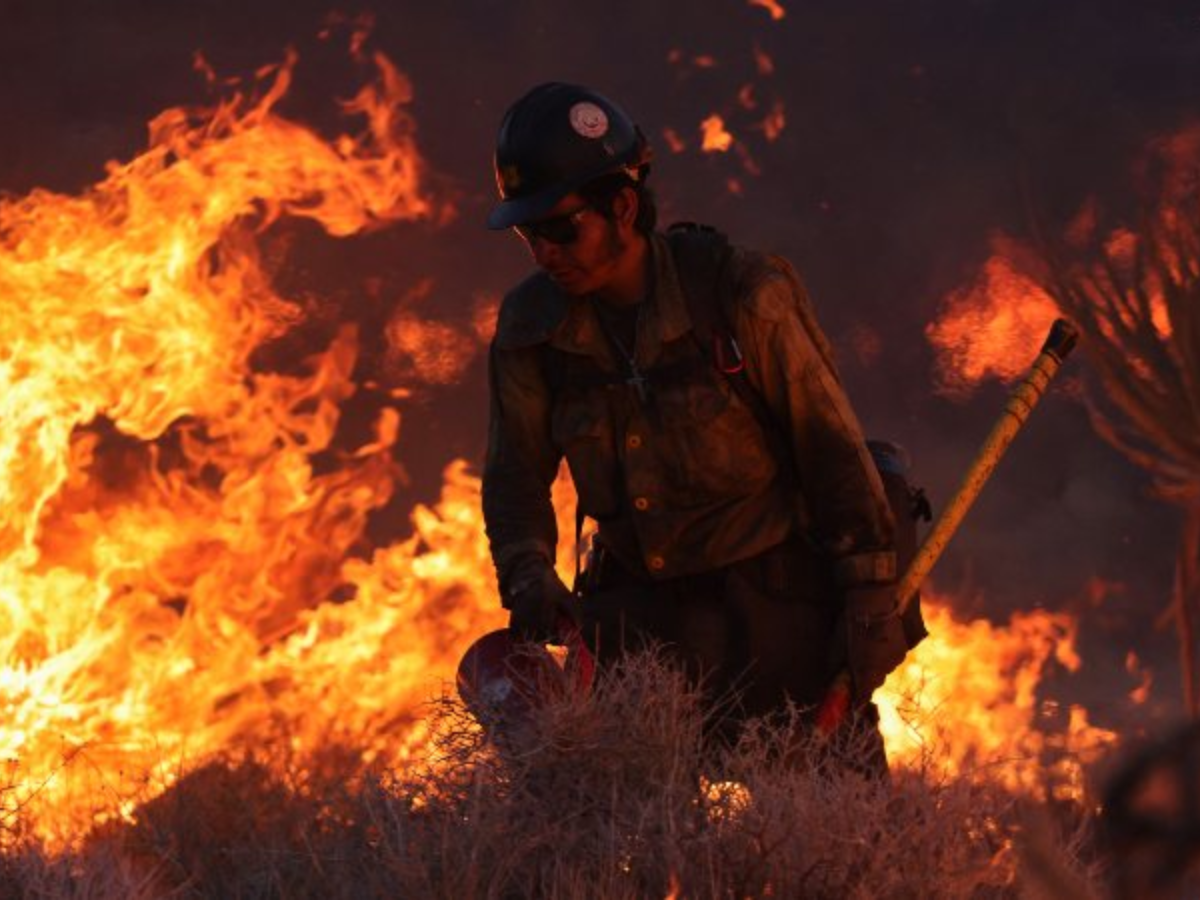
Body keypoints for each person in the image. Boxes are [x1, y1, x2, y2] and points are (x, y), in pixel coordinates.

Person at [481, 82, 910, 767]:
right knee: (616, 851)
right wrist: (527, 572)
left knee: (839, 846)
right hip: (642, 632)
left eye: (562, 229)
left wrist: (869, 596)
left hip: (775, 617)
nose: (544, 253)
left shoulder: (741, 294)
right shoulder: (531, 330)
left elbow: (830, 449)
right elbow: (514, 473)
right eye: (530, 235)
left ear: (622, 207)